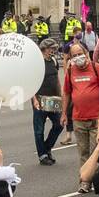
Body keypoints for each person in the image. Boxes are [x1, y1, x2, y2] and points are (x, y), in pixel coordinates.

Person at [63, 42, 99, 195]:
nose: (77, 58)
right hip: (78, 118)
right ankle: (85, 181)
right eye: (74, 56)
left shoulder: (97, 68)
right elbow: (67, 93)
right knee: (83, 152)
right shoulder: (70, 71)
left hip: (97, 118)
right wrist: (64, 114)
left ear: (86, 53)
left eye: (79, 54)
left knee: (96, 151)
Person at [31, 38, 64, 166]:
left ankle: (47, 147)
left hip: (53, 98)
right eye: (51, 48)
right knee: (39, 129)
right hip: (40, 99)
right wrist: (34, 99)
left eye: (54, 48)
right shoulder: (37, 63)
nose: (54, 51)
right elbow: (31, 82)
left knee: (59, 124)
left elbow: (57, 79)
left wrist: (61, 95)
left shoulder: (54, 61)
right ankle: (42, 155)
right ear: (44, 49)